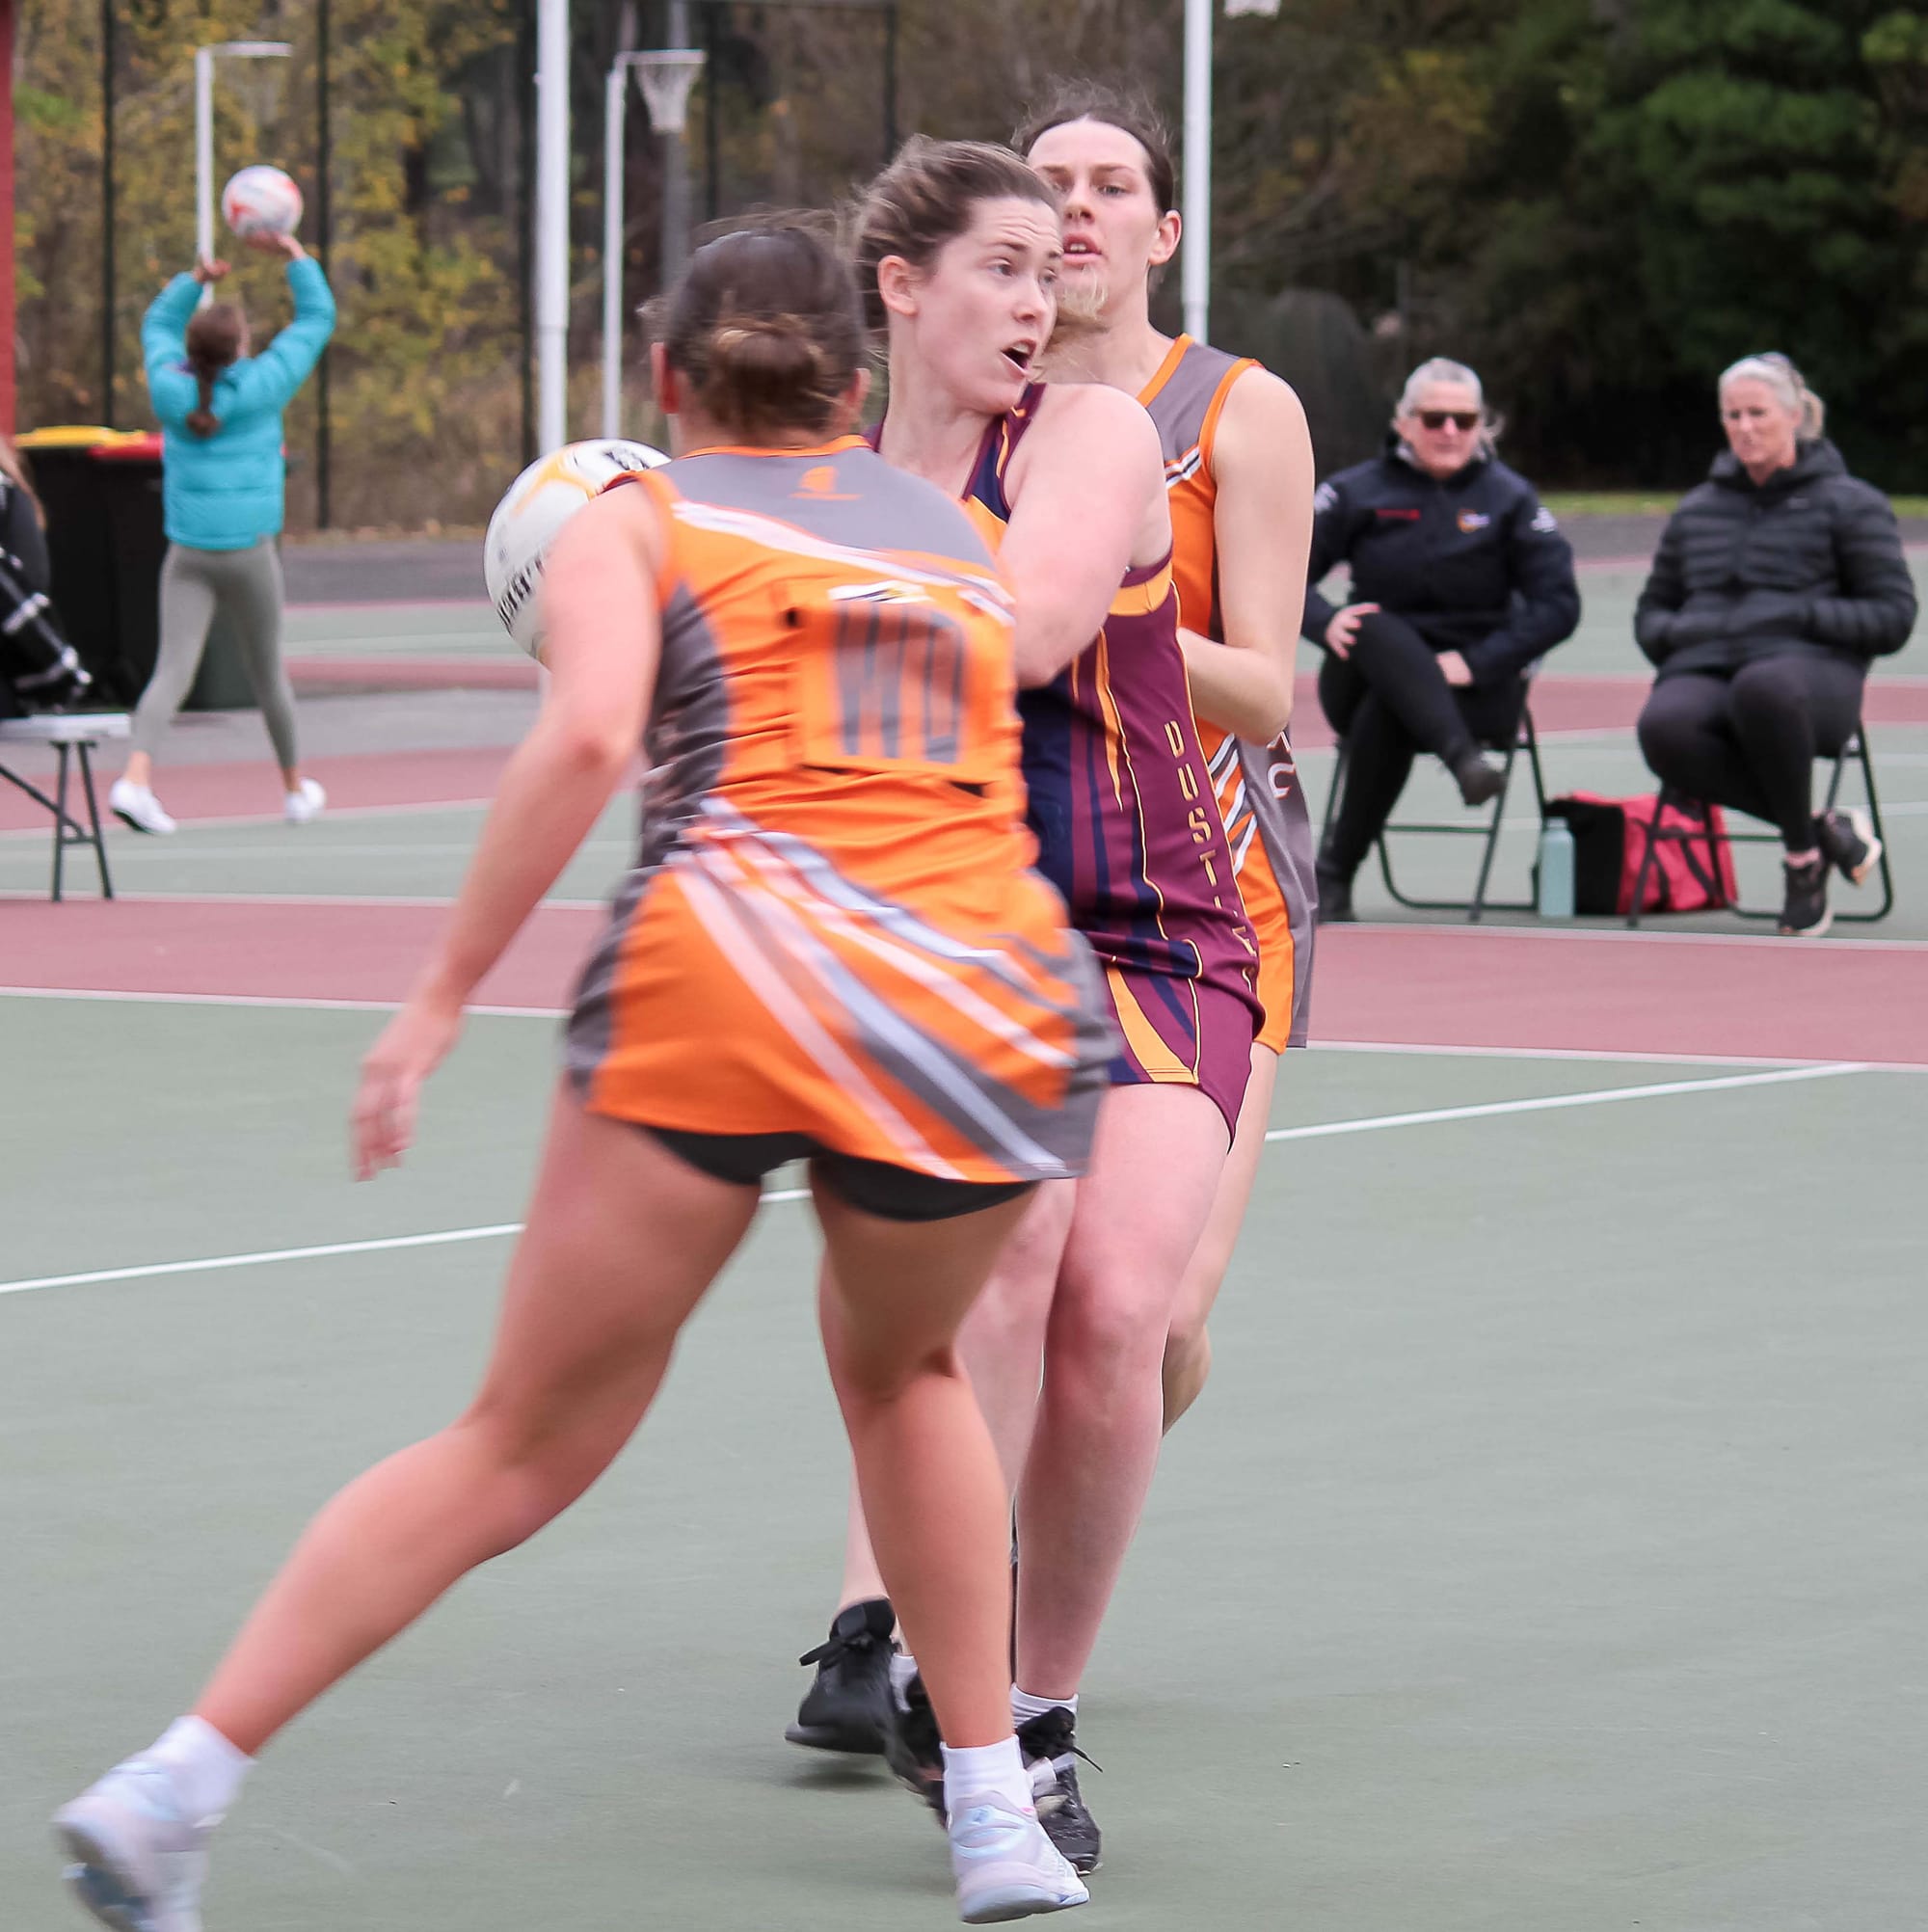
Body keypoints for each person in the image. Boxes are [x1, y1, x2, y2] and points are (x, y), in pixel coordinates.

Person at [53, 223, 1105, 1929]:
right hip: (972, 996)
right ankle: (995, 1813)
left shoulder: (645, 514)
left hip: (738, 968)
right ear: (854, 379)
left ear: (667, 383)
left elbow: (597, 728)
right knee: (911, 1373)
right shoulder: (950, 535)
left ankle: (178, 1782)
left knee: (519, 1442)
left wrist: (439, 995)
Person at [788, 139, 1258, 1875]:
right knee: (1011, 1271)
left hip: (1147, 927)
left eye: (1049, 271)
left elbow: (1043, 621)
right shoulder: (822, 484)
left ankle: (1032, 1706)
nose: (1035, 297)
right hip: (957, 942)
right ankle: (944, 1661)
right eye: (997, 265)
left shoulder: (1090, 433)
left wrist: (766, 590)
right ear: (902, 288)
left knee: (1122, 1298)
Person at [1014, 82, 1319, 1435]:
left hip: (1214, 892)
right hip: (1020, 876)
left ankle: (1061, 1520)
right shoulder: (981, 409)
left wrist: (1099, 604)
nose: (1078, 205)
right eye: (1051, 184)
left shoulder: (1239, 412)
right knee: (1012, 1286)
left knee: (1159, 1317)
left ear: (1164, 231)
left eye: (1110, 185)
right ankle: (956, 1585)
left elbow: (1261, 690)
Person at [1635, 353, 1915, 937]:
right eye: (1732, 415)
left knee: (1763, 689)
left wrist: (1794, 614)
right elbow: (1651, 615)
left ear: (1794, 417)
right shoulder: (1697, 510)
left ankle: (1801, 864)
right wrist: (1681, 633)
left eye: (1757, 412)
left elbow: (1893, 617)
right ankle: (1819, 830)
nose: (1744, 427)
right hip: (1707, 665)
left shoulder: (1851, 503)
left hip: (1812, 675)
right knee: (1664, 725)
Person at [1305, 358, 1580, 922]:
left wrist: (1476, 664)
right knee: (1376, 626)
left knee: (1393, 708)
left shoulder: (1512, 499)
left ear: (1483, 425)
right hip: (1361, 670)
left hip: (1476, 687)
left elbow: (1559, 605)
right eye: (1434, 419)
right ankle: (1464, 764)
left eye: (1464, 419)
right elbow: (1276, 573)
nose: (1450, 431)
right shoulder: (1356, 492)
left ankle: (1334, 874)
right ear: (1404, 423)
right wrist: (1322, 620)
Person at [108, 230, 335, 836]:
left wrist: (196, 279)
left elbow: (156, 323)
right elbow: (317, 319)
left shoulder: (167, 386)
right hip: (250, 553)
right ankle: (293, 790)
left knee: (171, 672)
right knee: (268, 675)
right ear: (241, 348)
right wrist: (297, 257)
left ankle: (134, 779)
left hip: (188, 552)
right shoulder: (264, 386)